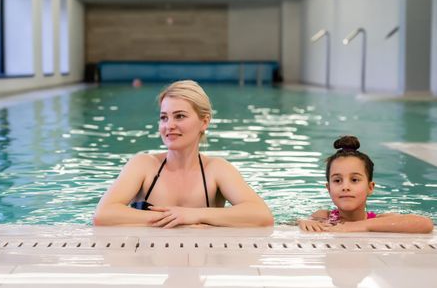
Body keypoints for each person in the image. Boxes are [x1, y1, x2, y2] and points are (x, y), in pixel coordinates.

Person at [93, 80, 274, 227]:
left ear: (204, 122)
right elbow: (103, 215)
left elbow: (261, 215)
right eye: (164, 117)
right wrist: (174, 219)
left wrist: (194, 215)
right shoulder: (143, 165)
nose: (169, 125)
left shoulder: (216, 170)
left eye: (179, 116)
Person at [299, 135, 434, 233]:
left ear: (370, 188)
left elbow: (425, 224)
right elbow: (292, 223)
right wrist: (302, 222)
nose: (345, 187)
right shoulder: (324, 216)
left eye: (355, 180)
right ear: (328, 189)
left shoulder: (380, 219)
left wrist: (359, 226)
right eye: (337, 180)